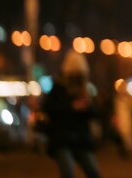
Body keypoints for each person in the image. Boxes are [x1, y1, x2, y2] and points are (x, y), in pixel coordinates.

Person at [42, 50, 102, 178]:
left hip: (80, 139)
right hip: (62, 138)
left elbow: (95, 113)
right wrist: (72, 107)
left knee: (93, 171)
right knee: (68, 173)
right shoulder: (59, 87)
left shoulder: (84, 89)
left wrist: (87, 107)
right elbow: (48, 108)